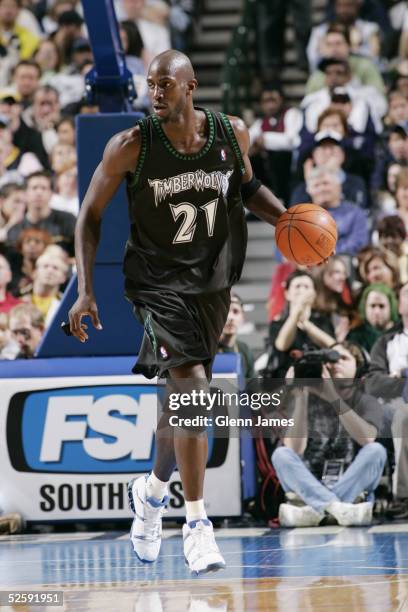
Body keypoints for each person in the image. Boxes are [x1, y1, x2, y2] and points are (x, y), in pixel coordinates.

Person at [67, 50, 289, 574]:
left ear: (190, 87)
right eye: (150, 84)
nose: (155, 92)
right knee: (193, 390)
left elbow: (248, 187)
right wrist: (84, 289)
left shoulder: (232, 133)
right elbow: (89, 216)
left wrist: (287, 221)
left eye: (165, 84)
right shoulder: (131, 146)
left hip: (212, 283)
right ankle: (196, 523)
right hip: (157, 285)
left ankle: (150, 491)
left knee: (180, 404)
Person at [273, 342, 386, 527]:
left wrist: (334, 398)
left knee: (376, 451)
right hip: (310, 482)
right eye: (331, 360)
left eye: (344, 358)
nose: (336, 364)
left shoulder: (366, 401)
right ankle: (338, 509)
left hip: (350, 484)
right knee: (281, 454)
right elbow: (294, 448)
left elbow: (367, 439)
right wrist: (300, 396)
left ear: (358, 366)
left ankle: (317, 510)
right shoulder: (303, 396)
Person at [365, 282, 408, 519]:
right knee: (403, 416)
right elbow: (374, 383)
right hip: (398, 404)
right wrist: (404, 382)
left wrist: (402, 373)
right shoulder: (386, 342)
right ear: (398, 305)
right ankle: (403, 496)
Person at [265, 270, 335, 379]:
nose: (302, 290)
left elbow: (332, 346)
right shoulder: (277, 323)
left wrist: (306, 323)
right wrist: (296, 314)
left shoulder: (323, 321)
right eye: (297, 286)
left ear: (314, 293)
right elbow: (281, 345)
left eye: (306, 287)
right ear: (287, 293)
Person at [248, 85, 302, 204]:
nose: (270, 105)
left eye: (273, 101)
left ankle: (283, 198)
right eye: (266, 101)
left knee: (279, 156)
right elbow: (247, 139)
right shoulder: (261, 123)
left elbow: (291, 141)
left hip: (290, 163)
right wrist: (252, 148)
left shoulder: (291, 114)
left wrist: (265, 139)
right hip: (269, 167)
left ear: (282, 100)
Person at [7, 170, 76, 255]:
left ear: (51, 193)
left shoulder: (68, 221)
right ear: (25, 194)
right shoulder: (15, 231)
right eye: (34, 188)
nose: (39, 193)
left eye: (44, 188)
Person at [305, 167, 369, 255]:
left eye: (325, 183)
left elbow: (358, 244)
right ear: (309, 190)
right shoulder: (303, 217)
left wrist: (327, 254)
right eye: (316, 185)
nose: (322, 189)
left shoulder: (356, 213)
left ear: (339, 186)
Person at [347, 283, 399, 353]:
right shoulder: (356, 336)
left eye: (381, 306)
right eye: (372, 306)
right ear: (364, 308)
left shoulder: (402, 331)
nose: (377, 312)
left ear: (391, 307)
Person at [217, 292, 255, 379]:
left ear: (242, 317)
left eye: (235, 311)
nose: (230, 317)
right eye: (225, 311)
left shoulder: (244, 350)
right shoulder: (206, 350)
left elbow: (253, 388)